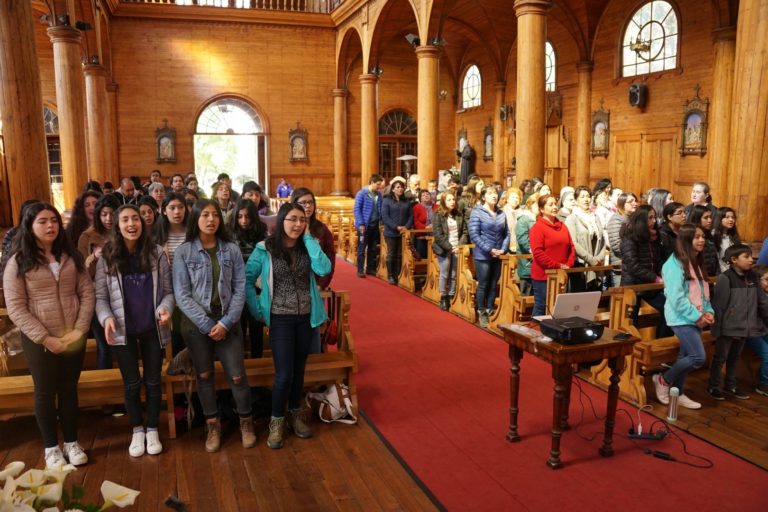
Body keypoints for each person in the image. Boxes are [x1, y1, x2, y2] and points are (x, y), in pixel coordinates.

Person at [3, 202, 94, 469]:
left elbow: (86, 293)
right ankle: (51, 448)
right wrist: (45, 338)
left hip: (72, 336)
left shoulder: (71, 255)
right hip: (39, 339)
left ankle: (72, 442)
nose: (50, 226)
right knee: (44, 392)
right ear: (29, 227)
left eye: (53, 220)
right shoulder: (18, 262)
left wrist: (79, 329)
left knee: (69, 391)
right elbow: (16, 308)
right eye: (42, 221)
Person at [244, 202, 331, 449]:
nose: (297, 224)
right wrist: (257, 310)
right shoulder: (265, 249)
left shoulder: (307, 247)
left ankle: (295, 415)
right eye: (292, 219)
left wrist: (310, 240)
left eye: (302, 220)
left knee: (299, 371)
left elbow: (324, 268)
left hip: (306, 317)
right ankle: (276, 421)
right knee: (284, 374)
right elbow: (247, 281)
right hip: (280, 318)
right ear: (281, 220)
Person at [172, 199, 254, 453]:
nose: (211, 219)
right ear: (196, 219)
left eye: (215, 215)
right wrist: (208, 325)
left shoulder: (230, 249)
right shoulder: (184, 252)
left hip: (228, 320)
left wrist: (227, 322)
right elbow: (181, 295)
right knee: (204, 375)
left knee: (237, 375)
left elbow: (240, 287)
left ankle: (246, 422)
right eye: (205, 215)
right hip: (197, 324)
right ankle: (212, 424)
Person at [94, 205, 174, 457]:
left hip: (152, 328)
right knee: (131, 384)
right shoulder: (106, 256)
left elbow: (168, 292)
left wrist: (164, 307)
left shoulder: (156, 254)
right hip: (122, 330)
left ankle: (152, 428)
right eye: (125, 219)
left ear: (143, 223)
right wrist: (106, 318)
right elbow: (100, 297)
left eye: (135, 219)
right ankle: (137, 429)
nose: (131, 224)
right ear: (117, 225)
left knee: (152, 381)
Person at [652, 223, 714, 410]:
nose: (702, 240)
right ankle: (663, 380)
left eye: (703, 236)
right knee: (697, 357)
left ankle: (677, 391)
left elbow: (704, 293)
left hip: (697, 316)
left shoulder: (696, 262)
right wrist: (697, 316)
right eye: (696, 237)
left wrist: (709, 311)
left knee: (685, 355)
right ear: (685, 240)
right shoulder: (673, 264)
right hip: (681, 318)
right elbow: (676, 298)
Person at [708, 244, 768, 401]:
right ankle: (713, 386)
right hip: (728, 328)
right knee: (721, 357)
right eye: (746, 257)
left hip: (745, 327)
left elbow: (762, 303)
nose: (751, 260)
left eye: (750, 256)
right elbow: (719, 307)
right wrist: (720, 331)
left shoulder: (753, 277)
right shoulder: (725, 278)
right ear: (734, 260)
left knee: (735, 356)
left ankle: (730, 385)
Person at [291, 187, 336, 353]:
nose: (308, 206)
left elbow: (330, 257)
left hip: (316, 286)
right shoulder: (289, 228)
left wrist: (321, 284)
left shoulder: (321, 229)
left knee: (313, 327)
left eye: (310, 202)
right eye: (303, 203)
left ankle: (315, 365)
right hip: (292, 289)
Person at [78, 194, 120, 371]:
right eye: (104, 214)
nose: (108, 219)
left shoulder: (124, 231)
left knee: (121, 344)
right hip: (97, 295)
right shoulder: (87, 237)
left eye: (111, 214)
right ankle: (105, 381)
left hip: (120, 295)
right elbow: (79, 270)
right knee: (104, 345)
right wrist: (93, 257)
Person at [620, 205, 670, 337]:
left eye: (654, 217)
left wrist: (663, 274)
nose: (654, 221)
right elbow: (633, 265)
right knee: (630, 322)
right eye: (650, 218)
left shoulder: (653, 237)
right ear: (642, 220)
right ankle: (630, 353)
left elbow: (657, 260)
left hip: (650, 287)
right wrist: (656, 278)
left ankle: (659, 345)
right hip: (633, 285)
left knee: (669, 310)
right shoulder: (630, 237)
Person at [228, 198, 268, 357]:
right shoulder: (229, 233)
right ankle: (239, 363)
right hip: (235, 286)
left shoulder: (261, 232)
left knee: (256, 324)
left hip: (256, 285)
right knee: (238, 326)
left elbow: (265, 258)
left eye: (247, 216)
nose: (243, 220)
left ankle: (256, 361)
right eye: (240, 216)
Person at [468, 185, 509, 327]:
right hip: (483, 255)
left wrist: (503, 249)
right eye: (490, 194)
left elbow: (507, 234)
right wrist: (489, 249)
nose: (494, 196)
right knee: (484, 284)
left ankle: (490, 309)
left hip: (498, 254)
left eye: (495, 194)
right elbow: (474, 234)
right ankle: (481, 311)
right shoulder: (477, 212)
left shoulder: (501, 213)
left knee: (493, 284)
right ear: (483, 197)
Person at [529, 194, 576, 316]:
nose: (555, 207)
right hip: (543, 275)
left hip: (561, 274)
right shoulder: (537, 228)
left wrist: (568, 264)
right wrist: (557, 266)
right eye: (550, 205)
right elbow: (538, 253)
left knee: (559, 308)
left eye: (555, 204)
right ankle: (534, 333)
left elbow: (571, 247)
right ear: (541, 209)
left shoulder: (562, 226)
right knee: (542, 306)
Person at [565, 186, 606, 292]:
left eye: (588, 196)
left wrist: (599, 258)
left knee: (595, 298)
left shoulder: (595, 217)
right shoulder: (572, 218)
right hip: (580, 265)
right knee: (579, 301)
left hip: (596, 263)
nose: (586, 199)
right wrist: (591, 259)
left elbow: (602, 240)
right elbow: (573, 242)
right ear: (576, 200)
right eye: (582, 197)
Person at [432, 191, 468, 311]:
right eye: (449, 200)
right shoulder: (438, 214)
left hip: (457, 247)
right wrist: (450, 247)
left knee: (453, 274)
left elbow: (464, 232)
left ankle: (452, 295)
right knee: (444, 274)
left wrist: (459, 245)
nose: (452, 202)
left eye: (453, 199)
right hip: (444, 248)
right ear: (443, 201)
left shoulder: (458, 214)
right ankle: (443, 297)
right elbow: (438, 235)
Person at [381, 176, 413, 285]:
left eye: (402, 187)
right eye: (398, 187)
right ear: (393, 189)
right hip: (391, 232)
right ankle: (391, 275)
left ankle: (399, 275)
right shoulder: (387, 201)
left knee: (400, 254)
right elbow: (385, 217)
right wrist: (396, 227)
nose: (400, 189)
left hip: (403, 232)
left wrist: (406, 227)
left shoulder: (406, 201)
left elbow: (410, 216)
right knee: (392, 254)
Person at [353, 174, 385, 278]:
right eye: (378, 184)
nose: (380, 187)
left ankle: (370, 269)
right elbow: (357, 209)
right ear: (371, 183)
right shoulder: (362, 193)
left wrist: (381, 222)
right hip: (364, 226)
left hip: (375, 225)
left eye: (380, 185)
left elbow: (380, 209)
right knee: (362, 248)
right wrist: (361, 223)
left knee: (373, 248)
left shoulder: (379, 195)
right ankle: (360, 269)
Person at [605, 192, 638, 286]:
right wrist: (635, 252)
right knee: (620, 296)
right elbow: (616, 245)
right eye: (631, 201)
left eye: (635, 201)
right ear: (622, 204)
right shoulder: (616, 220)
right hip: (621, 266)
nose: (635, 203)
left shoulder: (634, 220)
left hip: (634, 266)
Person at [746, 265, 768, 396]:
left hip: (763, 330)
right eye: (766, 279)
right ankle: (764, 385)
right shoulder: (751, 296)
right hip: (751, 333)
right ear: (758, 281)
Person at [515, 193, 540, 296]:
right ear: (531, 205)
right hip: (527, 260)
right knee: (526, 290)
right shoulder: (524, 219)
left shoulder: (539, 219)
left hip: (537, 260)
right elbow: (522, 238)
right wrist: (533, 250)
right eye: (538, 205)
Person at [688, 204, 720, 277]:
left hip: (712, 278)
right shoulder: (690, 237)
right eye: (706, 218)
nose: (710, 220)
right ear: (697, 219)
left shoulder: (710, 236)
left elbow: (715, 261)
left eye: (710, 217)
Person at [713, 207, 741, 273]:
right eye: (727, 217)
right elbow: (716, 258)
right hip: (719, 272)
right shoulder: (714, 235)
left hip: (732, 270)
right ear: (720, 219)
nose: (731, 220)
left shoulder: (733, 235)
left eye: (733, 217)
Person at [413, 189, 437, 258]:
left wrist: (434, 225)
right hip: (421, 236)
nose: (426, 196)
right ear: (420, 198)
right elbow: (415, 222)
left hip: (434, 236)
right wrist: (425, 227)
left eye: (427, 194)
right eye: (423, 195)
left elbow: (440, 220)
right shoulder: (416, 207)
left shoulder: (437, 207)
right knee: (422, 257)